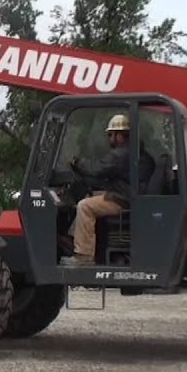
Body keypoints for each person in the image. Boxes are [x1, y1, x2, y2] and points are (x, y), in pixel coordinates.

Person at [61, 114, 132, 266]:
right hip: (122, 194)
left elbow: (98, 168)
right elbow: (104, 174)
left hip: (122, 199)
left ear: (120, 135)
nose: (109, 139)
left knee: (85, 206)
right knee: (89, 195)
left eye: (111, 135)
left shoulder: (121, 154)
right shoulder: (127, 152)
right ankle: (74, 238)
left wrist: (77, 162)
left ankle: (84, 256)